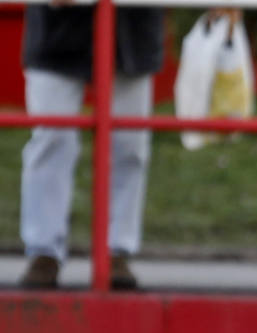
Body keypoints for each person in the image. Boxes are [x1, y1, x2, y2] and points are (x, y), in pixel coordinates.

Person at [18, 0, 164, 290]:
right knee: (52, 139)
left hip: (133, 31)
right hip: (54, 30)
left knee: (130, 146)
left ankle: (117, 252)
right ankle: (43, 251)